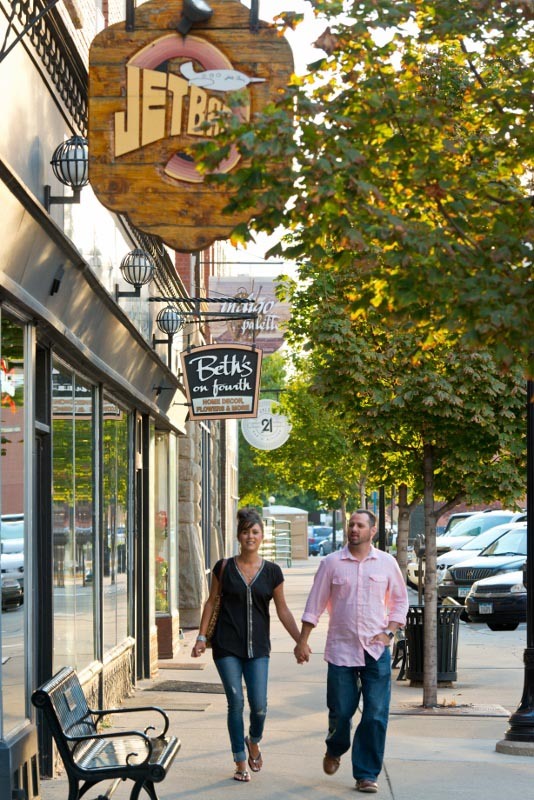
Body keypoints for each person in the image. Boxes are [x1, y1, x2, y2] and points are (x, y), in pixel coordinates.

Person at [294, 509, 409, 794]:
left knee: (375, 715)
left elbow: (399, 602)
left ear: (373, 531)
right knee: (341, 711)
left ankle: (366, 774)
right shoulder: (331, 563)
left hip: (375, 650)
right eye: (351, 524)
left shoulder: (386, 563)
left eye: (360, 525)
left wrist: (389, 634)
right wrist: (302, 640)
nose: (354, 529)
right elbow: (314, 604)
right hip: (341, 650)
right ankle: (335, 748)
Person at [191, 507, 301, 782]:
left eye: (255, 532)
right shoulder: (224, 567)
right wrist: (202, 637)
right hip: (227, 646)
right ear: (239, 536)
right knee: (235, 701)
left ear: (262, 536)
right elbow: (211, 601)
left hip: (258, 649)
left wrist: (300, 640)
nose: (250, 536)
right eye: (245, 532)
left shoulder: (273, 572)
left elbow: (283, 610)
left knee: (260, 705)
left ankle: (254, 740)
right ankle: (240, 760)